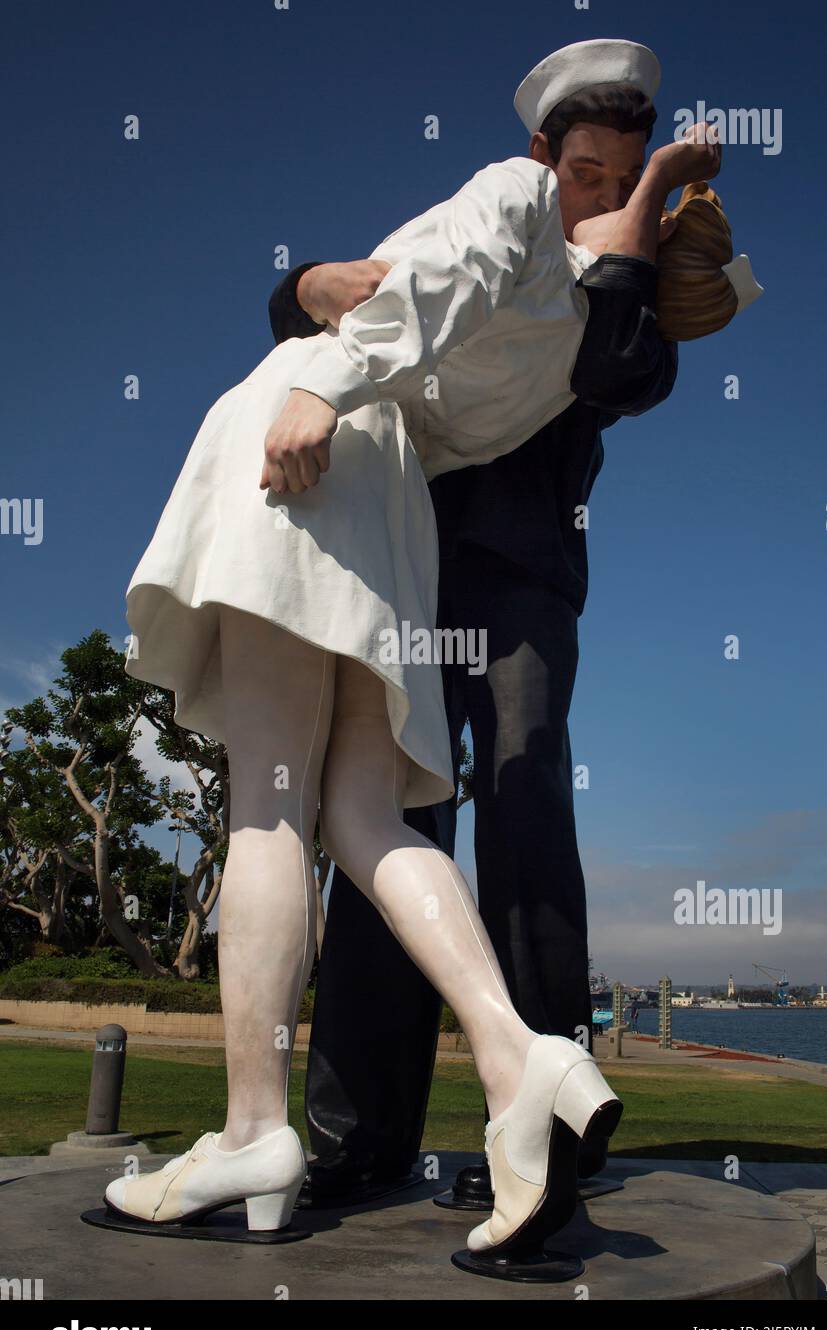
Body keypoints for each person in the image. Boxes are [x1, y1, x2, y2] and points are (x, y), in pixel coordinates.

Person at [104, 42, 728, 1257]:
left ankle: (259, 1130)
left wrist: (320, 382)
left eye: (620, 180)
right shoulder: (531, 254)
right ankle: (486, 1077)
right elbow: (402, 298)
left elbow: (503, 318)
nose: (591, 195)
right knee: (367, 818)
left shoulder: (604, 317)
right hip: (397, 526)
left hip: (418, 524)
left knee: (315, 802)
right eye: (581, 169)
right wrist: (316, 299)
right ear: (552, 157)